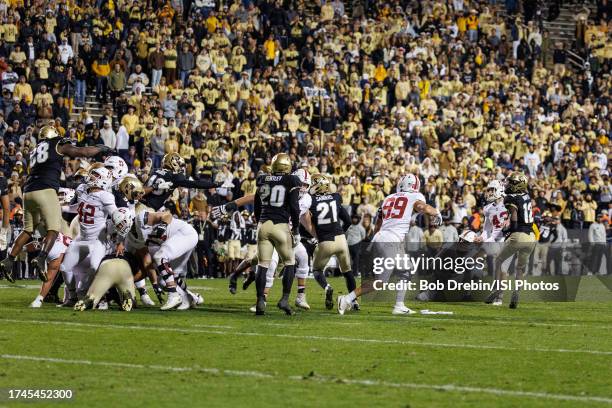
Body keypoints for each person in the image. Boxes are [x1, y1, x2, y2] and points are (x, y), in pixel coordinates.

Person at [0, 126, 110, 283]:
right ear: (54, 136)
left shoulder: (35, 149)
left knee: (28, 229)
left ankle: (8, 259)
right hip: (45, 189)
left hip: (28, 191)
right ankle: (41, 258)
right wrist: (100, 148)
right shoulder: (56, 143)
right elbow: (82, 152)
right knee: (54, 228)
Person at [337, 174, 442, 315]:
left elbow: (378, 223)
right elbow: (422, 207)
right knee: (380, 282)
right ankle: (346, 299)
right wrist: (436, 212)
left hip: (383, 238)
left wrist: (375, 241)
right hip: (390, 240)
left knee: (407, 269)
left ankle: (399, 305)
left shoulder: (388, 198)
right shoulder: (414, 196)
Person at [253, 153, 301, 315]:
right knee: (289, 263)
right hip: (280, 225)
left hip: (263, 224)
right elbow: (295, 207)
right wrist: (296, 229)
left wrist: (258, 221)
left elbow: (256, 203)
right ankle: (284, 299)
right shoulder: (292, 180)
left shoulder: (263, 179)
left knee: (263, 265)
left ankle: (260, 301)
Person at [485, 172, 536, 309]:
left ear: (517, 185)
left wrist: (507, 231)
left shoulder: (510, 199)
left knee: (499, 261)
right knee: (520, 268)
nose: (508, 184)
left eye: (511, 182)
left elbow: (513, 219)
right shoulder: (526, 195)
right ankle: (516, 292)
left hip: (518, 235)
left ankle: (498, 290)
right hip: (531, 237)